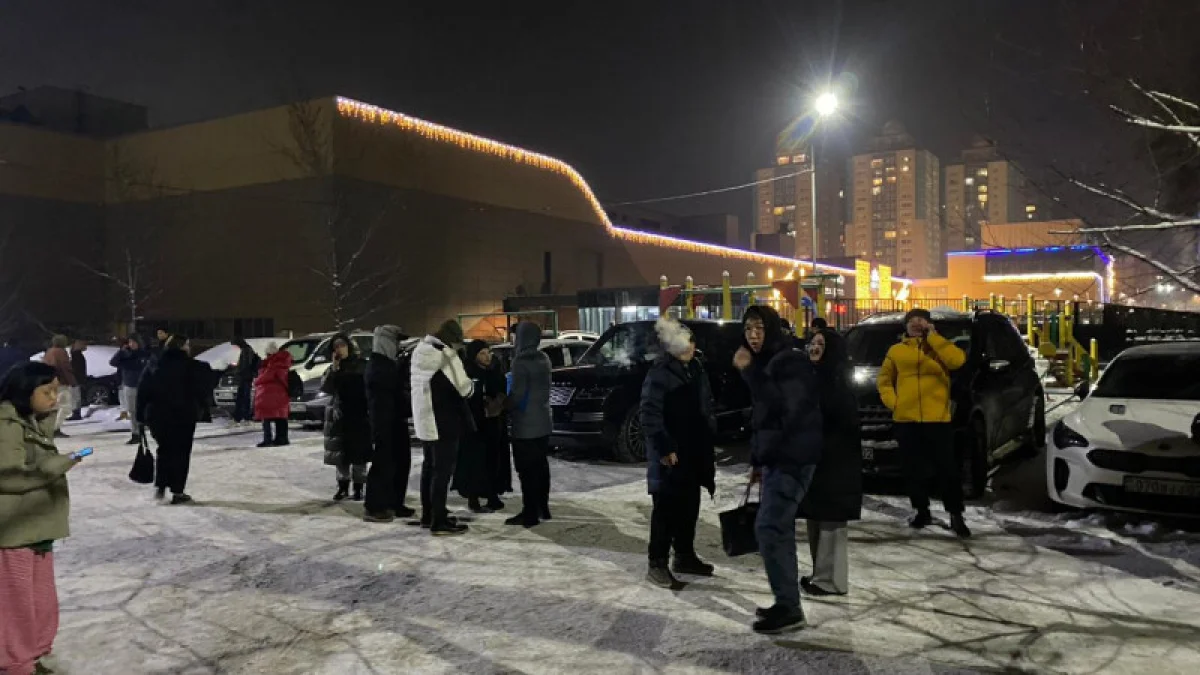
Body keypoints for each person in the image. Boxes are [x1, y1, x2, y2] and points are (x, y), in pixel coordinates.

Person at [733, 305, 823, 634]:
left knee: (771, 527)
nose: (753, 336)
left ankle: (789, 607)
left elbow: (784, 407)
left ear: (771, 329)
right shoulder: (769, 361)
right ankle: (786, 603)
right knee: (774, 528)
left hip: (792, 458)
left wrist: (750, 372)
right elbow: (764, 418)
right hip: (777, 458)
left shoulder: (790, 361)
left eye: (759, 328)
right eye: (748, 329)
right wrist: (759, 460)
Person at [0, 362, 82, 675]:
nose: (54, 398)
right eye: (47, 391)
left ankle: (32, 656)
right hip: (15, 530)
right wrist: (59, 464)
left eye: (56, 391)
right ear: (25, 391)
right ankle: (15, 664)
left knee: (40, 600)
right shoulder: (6, 425)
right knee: (17, 604)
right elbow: (9, 476)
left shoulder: (31, 421)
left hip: (38, 527)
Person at [877, 308, 969, 538]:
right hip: (906, 419)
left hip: (937, 419)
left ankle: (955, 514)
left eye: (921, 320)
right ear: (905, 326)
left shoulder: (939, 347)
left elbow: (957, 361)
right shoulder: (896, 351)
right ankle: (921, 510)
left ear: (929, 324)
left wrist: (934, 338)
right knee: (913, 469)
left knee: (947, 469)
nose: (916, 323)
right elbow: (884, 380)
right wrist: (895, 403)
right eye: (912, 321)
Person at [640, 318, 717, 589]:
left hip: (692, 452)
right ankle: (657, 563)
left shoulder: (696, 368)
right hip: (670, 455)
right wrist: (664, 447)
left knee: (689, 507)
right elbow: (649, 413)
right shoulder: (660, 372)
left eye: (691, 341)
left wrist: (708, 436)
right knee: (666, 510)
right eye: (683, 341)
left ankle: (684, 556)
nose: (688, 346)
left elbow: (705, 407)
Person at [797, 328, 862, 596]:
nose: (814, 348)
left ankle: (831, 581)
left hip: (835, 462)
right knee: (817, 517)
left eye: (821, 344)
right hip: (817, 459)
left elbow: (841, 420)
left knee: (831, 522)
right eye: (812, 343)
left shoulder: (837, 381)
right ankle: (820, 574)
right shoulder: (814, 376)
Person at [411, 320, 473, 535]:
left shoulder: (420, 350)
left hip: (424, 418)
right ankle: (439, 521)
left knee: (429, 467)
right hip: (444, 420)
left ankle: (428, 514)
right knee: (443, 471)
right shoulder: (446, 355)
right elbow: (465, 388)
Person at [137, 335, 208, 504]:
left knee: (164, 450)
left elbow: (142, 390)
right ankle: (177, 491)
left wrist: (140, 415)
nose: (189, 348)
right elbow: (201, 388)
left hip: (157, 416)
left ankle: (161, 486)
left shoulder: (154, 364)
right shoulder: (190, 366)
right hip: (183, 415)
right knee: (181, 453)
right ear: (182, 346)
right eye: (187, 345)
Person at [363, 325, 415, 522]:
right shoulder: (378, 365)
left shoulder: (389, 364)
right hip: (384, 422)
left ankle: (394, 502)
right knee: (383, 463)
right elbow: (387, 392)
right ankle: (375, 506)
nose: (398, 346)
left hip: (396, 419)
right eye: (395, 341)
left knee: (401, 462)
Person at [453, 340, 512, 514]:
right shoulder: (468, 372)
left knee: (494, 459)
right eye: (482, 353)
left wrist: (498, 401)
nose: (487, 357)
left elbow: (502, 390)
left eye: (488, 352)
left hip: (493, 423)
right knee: (475, 461)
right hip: (474, 425)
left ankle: (493, 494)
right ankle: (473, 496)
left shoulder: (495, 370)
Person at [505, 321, 553, 528]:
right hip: (544, 421)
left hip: (525, 424)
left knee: (526, 471)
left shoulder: (520, 361)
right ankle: (543, 507)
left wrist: (504, 406)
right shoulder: (544, 358)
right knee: (541, 467)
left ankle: (529, 513)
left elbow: (517, 395)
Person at [321, 334, 371, 502]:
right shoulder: (334, 368)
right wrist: (334, 368)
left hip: (359, 414)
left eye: (342, 345)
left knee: (359, 454)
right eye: (336, 346)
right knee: (341, 454)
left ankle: (359, 487)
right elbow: (327, 388)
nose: (339, 349)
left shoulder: (362, 365)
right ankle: (342, 486)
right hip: (340, 415)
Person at [110, 335, 151, 444]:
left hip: (143, 386)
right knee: (132, 411)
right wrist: (121, 352)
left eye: (134, 342)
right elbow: (113, 362)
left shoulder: (144, 354)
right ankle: (135, 434)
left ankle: (146, 429)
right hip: (130, 385)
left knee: (144, 410)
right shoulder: (125, 354)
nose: (131, 344)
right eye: (130, 342)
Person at [253, 342, 292, 447]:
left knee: (266, 417)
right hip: (281, 394)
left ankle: (268, 439)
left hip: (267, 395)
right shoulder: (283, 364)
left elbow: (265, 377)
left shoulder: (272, 365)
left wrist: (256, 381)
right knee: (281, 417)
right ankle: (282, 438)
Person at [41, 336, 76, 439]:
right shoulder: (61, 352)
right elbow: (64, 368)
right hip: (61, 382)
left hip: (51, 382)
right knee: (65, 406)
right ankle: (54, 428)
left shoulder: (49, 351)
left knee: (55, 406)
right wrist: (71, 381)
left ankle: (51, 428)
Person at [231, 338, 261, 426]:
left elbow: (245, 365)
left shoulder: (246, 350)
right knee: (244, 398)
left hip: (245, 377)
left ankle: (242, 418)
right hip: (246, 377)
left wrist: (239, 372)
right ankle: (242, 417)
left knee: (243, 398)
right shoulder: (247, 349)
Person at [67, 339, 88, 421]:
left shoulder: (76, 356)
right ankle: (76, 413)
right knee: (76, 396)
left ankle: (76, 413)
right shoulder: (78, 355)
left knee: (75, 396)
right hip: (78, 379)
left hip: (76, 379)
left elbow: (76, 368)